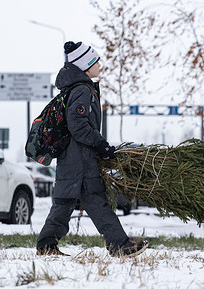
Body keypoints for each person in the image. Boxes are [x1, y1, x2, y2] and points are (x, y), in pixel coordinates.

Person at [36, 41, 147, 258]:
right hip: (79, 159)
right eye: (95, 60)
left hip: (78, 157)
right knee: (72, 203)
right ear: (86, 64)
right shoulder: (82, 89)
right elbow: (77, 124)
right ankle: (48, 245)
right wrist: (100, 144)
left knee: (90, 202)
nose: (99, 64)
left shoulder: (78, 88)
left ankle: (118, 245)